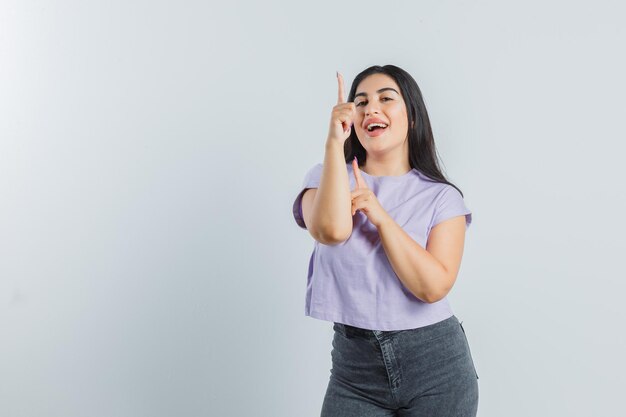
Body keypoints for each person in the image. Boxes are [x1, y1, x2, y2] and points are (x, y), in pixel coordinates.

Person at [292, 64, 479, 417]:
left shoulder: (442, 198)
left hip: (436, 367)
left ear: (411, 117)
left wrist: (379, 216)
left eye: (385, 98)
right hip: (355, 373)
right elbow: (332, 231)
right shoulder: (326, 177)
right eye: (360, 102)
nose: (370, 109)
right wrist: (334, 141)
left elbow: (432, 287)